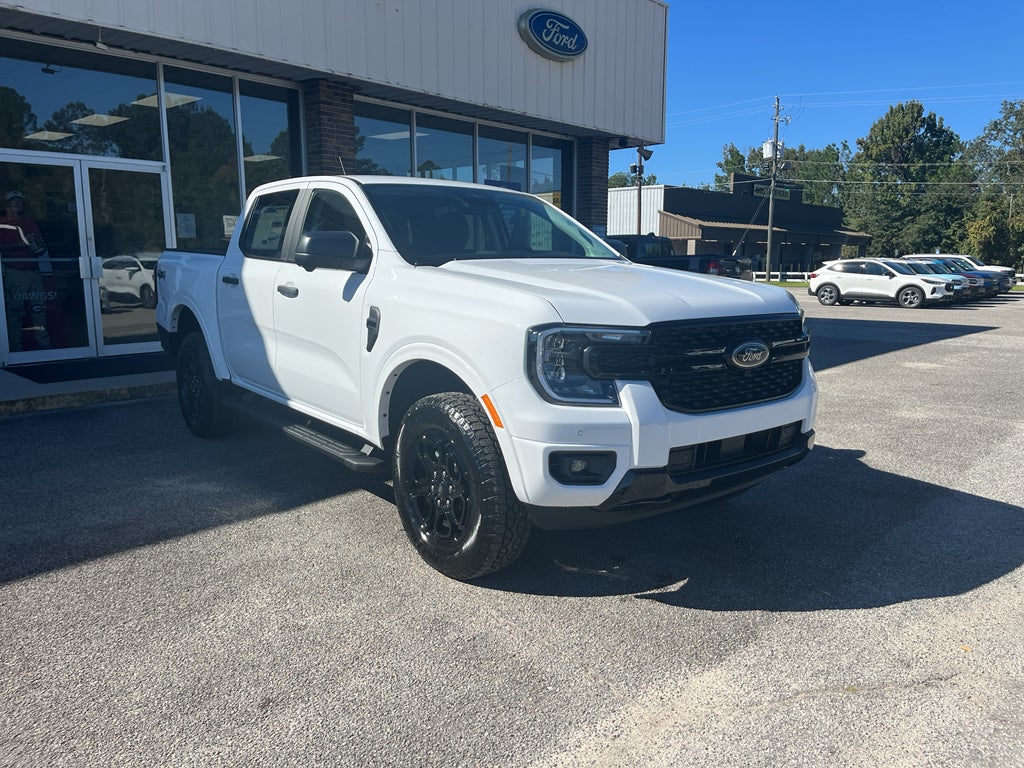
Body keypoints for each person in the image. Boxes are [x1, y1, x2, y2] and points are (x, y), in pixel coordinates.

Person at [1, 190, 52, 351]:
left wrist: (39, 247)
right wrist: (19, 245)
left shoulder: (30, 223)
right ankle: (15, 347)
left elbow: (41, 245)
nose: (18, 203)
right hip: (14, 271)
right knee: (16, 311)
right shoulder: (2, 224)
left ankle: (44, 344)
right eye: (14, 201)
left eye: (20, 201)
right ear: (7, 205)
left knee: (38, 308)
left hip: (33, 270)